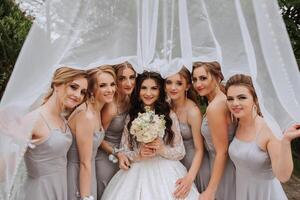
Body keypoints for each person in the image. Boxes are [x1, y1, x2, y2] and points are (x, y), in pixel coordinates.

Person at [101, 71, 199, 200]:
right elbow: (124, 149)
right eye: (144, 88)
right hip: (137, 170)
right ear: (138, 90)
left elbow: (180, 151)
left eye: (154, 88)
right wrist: (138, 154)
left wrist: (162, 149)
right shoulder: (132, 115)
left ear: (160, 91)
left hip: (165, 170)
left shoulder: (169, 114)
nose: (148, 93)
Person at [226, 74, 300, 200]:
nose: (235, 103)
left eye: (242, 97)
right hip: (242, 192)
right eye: (230, 99)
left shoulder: (268, 129)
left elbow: (283, 176)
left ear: (255, 99)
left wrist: (286, 141)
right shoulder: (237, 123)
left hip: (266, 195)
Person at [23, 67, 88, 200]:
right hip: (39, 192)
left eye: (82, 92)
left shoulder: (62, 118)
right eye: (73, 87)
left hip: (60, 187)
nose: (78, 95)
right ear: (57, 84)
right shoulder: (34, 119)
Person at [67, 66, 116, 200]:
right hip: (78, 174)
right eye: (103, 85)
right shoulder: (86, 115)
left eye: (112, 84)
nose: (110, 89)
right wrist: (85, 197)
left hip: (89, 171)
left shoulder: (97, 110)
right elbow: (84, 162)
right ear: (92, 89)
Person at [192, 61, 236, 200]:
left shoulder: (215, 107)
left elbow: (222, 152)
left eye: (203, 78)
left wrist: (211, 190)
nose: (198, 84)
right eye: (194, 79)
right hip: (221, 166)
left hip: (223, 171)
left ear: (217, 77)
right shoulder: (221, 99)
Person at [165, 67, 210, 196]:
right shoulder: (167, 105)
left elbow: (200, 149)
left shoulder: (193, 112)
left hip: (195, 166)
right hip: (176, 164)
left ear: (187, 86)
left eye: (179, 83)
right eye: (169, 82)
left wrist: (190, 177)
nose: (173, 87)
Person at [96, 62, 136, 199]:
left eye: (132, 77)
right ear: (115, 80)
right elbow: (97, 138)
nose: (128, 83)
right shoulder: (111, 107)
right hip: (106, 157)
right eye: (122, 78)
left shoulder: (129, 98)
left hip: (123, 156)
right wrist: (117, 153)